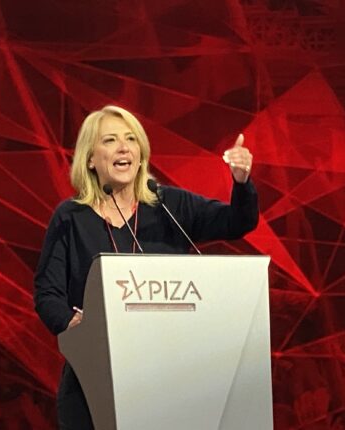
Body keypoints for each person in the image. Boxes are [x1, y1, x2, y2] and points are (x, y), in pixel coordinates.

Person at [33, 105, 258, 429]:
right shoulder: (70, 218)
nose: (124, 147)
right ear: (90, 159)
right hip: (93, 381)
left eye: (131, 139)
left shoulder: (169, 206)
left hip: (169, 381)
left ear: (141, 154)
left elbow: (238, 222)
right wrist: (75, 324)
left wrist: (242, 181)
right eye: (110, 140)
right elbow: (47, 293)